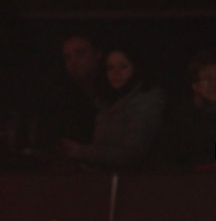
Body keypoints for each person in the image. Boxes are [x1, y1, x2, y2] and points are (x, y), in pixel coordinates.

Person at [55, 43, 166, 171]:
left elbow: (132, 155)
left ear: (136, 68)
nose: (116, 73)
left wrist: (80, 151)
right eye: (110, 67)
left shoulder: (147, 103)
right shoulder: (106, 103)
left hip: (138, 183)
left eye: (123, 67)